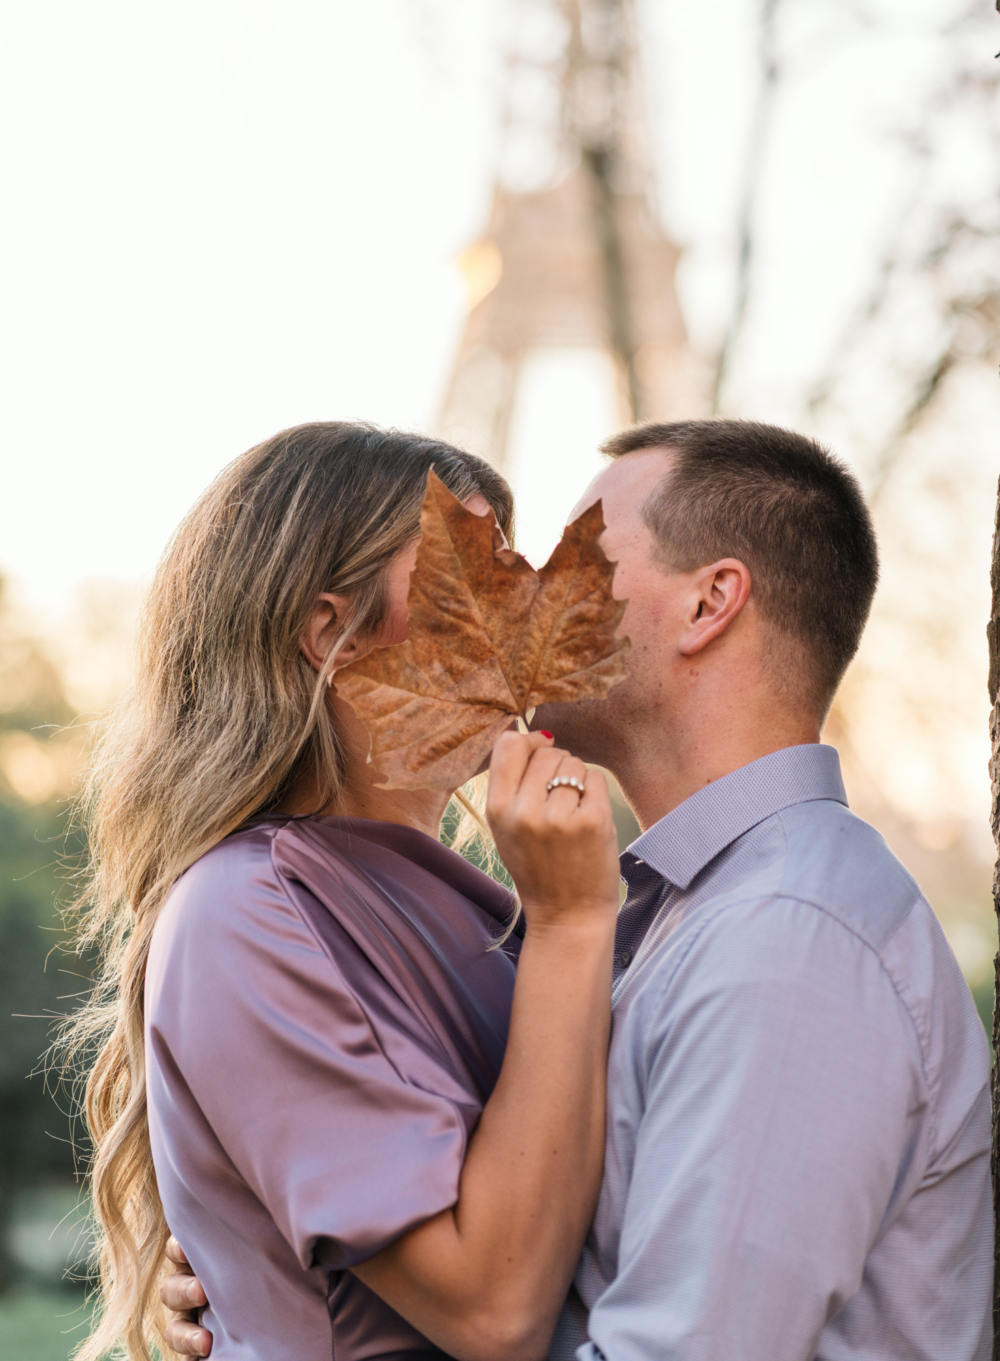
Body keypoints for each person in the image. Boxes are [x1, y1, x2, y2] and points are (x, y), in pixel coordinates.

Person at [166, 418, 990, 1361]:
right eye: (477, 577)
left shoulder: (781, 939)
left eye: (577, 558)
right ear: (329, 632)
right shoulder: (660, 914)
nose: (528, 606)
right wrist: (261, 1269)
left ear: (710, 603)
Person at [68, 421, 622, 1361]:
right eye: (466, 586)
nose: (514, 624)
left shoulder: (463, 897)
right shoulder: (247, 912)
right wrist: (573, 927)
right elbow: (491, 1314)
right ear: (331, 632)